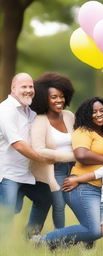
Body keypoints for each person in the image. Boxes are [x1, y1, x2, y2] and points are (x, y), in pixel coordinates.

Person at [31, 97, 103, 249]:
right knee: (95, 230)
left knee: (100, 227)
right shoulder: (83, 131)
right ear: (86, 114)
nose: (99, 114)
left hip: (102, 188)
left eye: (102, 111)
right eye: (94, 112)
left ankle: (59, 245)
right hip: (83, 187)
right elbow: (81, 155)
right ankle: (43, 240)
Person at [0, 73, 52, 237]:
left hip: (27, 174)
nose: (28, 90)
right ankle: (5, 249)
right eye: (24, 86)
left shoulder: (30, 112)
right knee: (6, 216)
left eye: (31, 87)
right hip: (7, 175)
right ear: (13, 88)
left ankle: (28, 238)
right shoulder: (6, 110)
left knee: (45, 198)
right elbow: (18, 144)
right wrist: (44, 159)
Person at [29, 72, 75, 229]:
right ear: (44, 99)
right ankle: (58, 240)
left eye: (61, 96)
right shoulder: (40, 120)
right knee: (59, 204)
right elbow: (39, 150)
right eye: (54, 97)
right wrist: (69, 156)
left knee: (77, 203)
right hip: (53, 170)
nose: (59, 100)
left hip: (74, 168)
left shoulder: (69, 116)